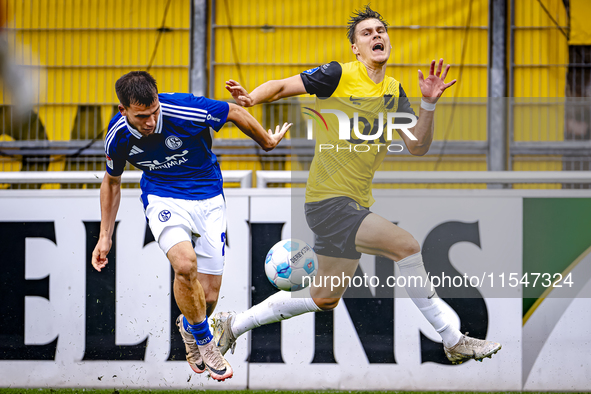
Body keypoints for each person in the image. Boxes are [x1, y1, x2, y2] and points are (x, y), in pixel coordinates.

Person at [212, 5, 501, 365]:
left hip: (352, 203)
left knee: (323, 298)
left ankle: (233, 324)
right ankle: (453, 338)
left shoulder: (394, 91)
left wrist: (428, 103)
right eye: (366, 33)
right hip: (328, 201)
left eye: (381, 30)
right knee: (406, 247)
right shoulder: (337, 74)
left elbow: (417, 146)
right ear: (355, 48)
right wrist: (251, 98)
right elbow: (283, 85)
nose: (376, 35)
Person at [90, 71, 291, 381]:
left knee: (207, 298)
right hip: (162, 198)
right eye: (142, 116)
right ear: (124, 111)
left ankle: (190, 325)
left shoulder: (185, 109)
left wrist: (267, 142)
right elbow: (111, 182)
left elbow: (234, 111)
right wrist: (105, 236)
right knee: (185, 265)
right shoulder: (117, 136)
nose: (151, 120)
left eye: (154, 111)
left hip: (209, 197)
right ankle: (206, 342)